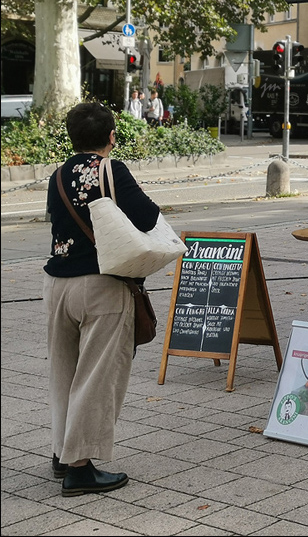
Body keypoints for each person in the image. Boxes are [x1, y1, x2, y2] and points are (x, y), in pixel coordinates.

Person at [43, 102, 161, 496]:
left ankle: (63, 453)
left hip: (58, 285)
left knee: (65, 373)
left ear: (72, 137)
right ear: (112, 136)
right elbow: (147, 218)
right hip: (101, 285)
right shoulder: (112, 169)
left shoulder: (57, 175)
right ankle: (80, 468)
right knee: (96, 376)